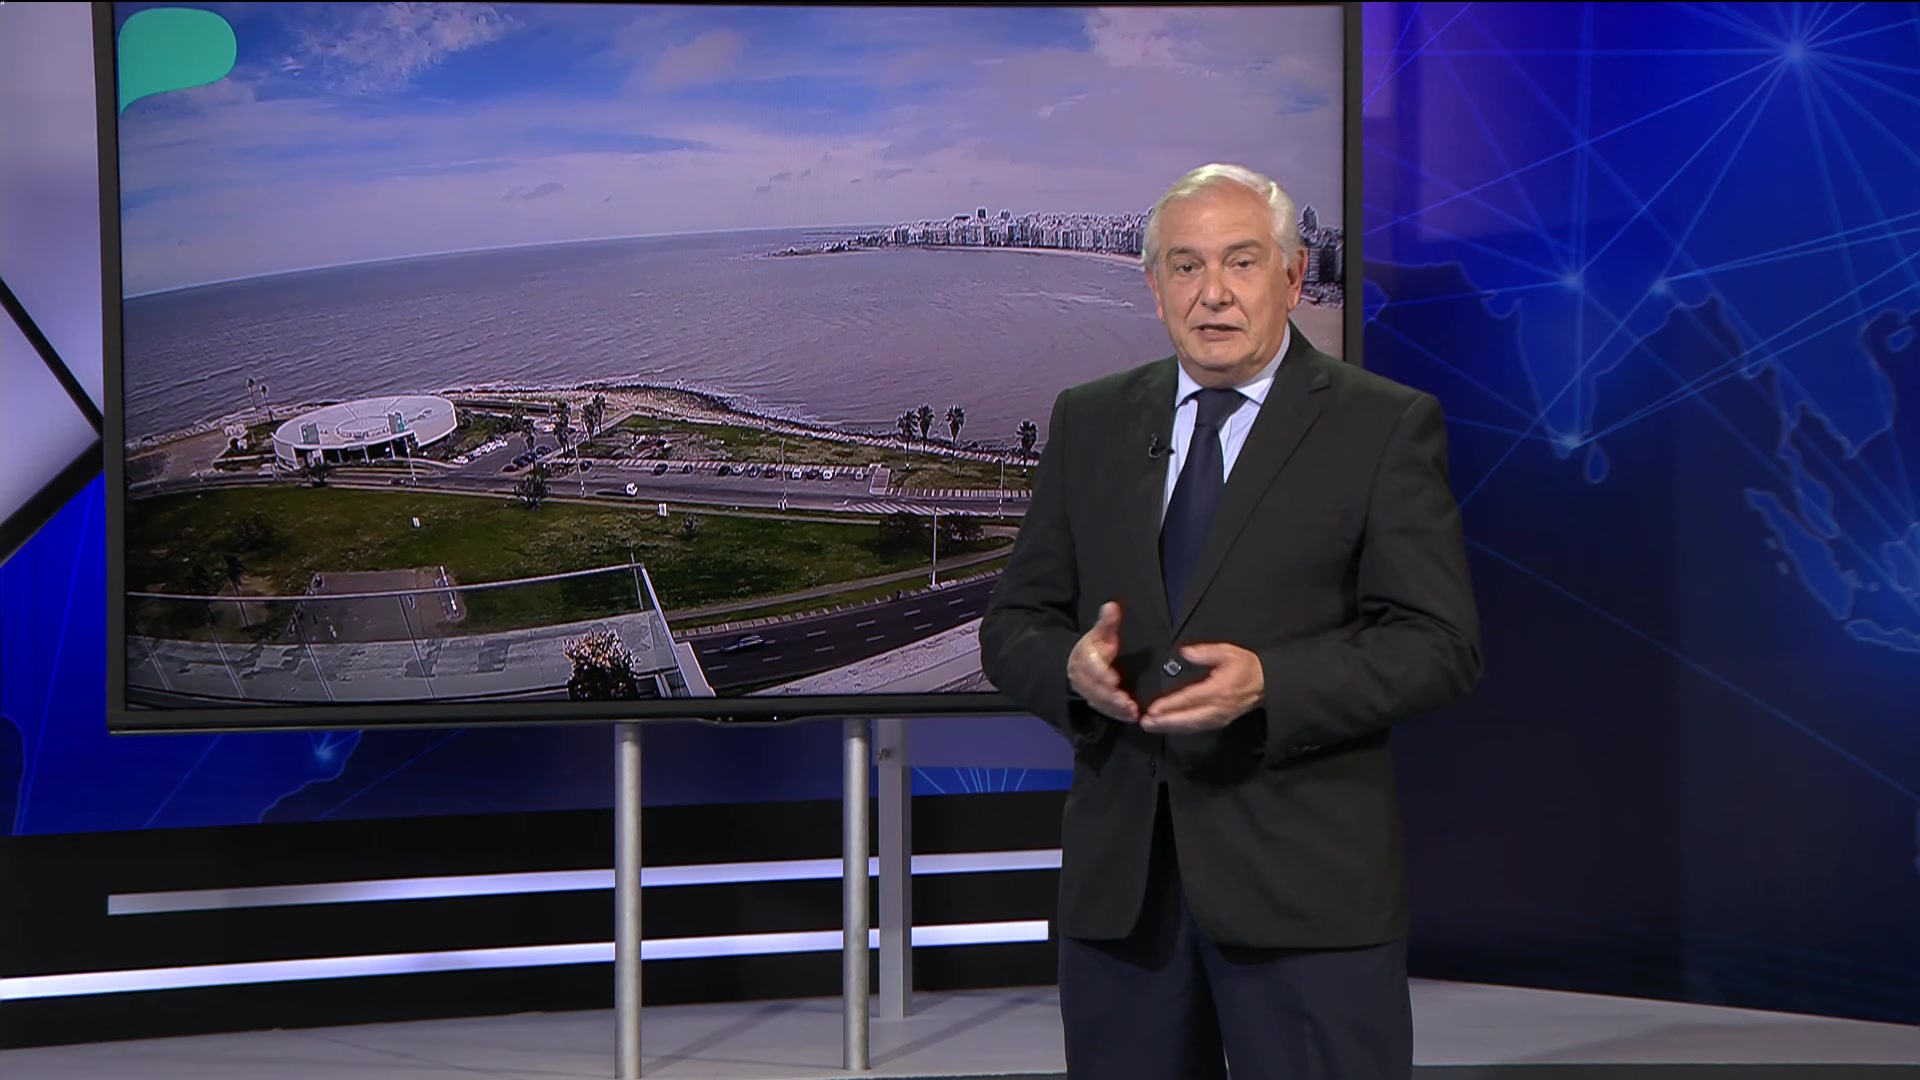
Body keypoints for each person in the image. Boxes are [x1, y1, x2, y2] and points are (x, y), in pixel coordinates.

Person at [980, 164, 1483, 1079]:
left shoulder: (1381, 426)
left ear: (1292, 276)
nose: (1212, 292)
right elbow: (1015, 622)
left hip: (1307, 896)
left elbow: (1438, 644)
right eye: (1186, 265)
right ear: (1154, 285)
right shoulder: (1090, 421)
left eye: (1241, 263)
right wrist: (1070, 671)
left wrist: (1271, 685)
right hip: (1125, 902)